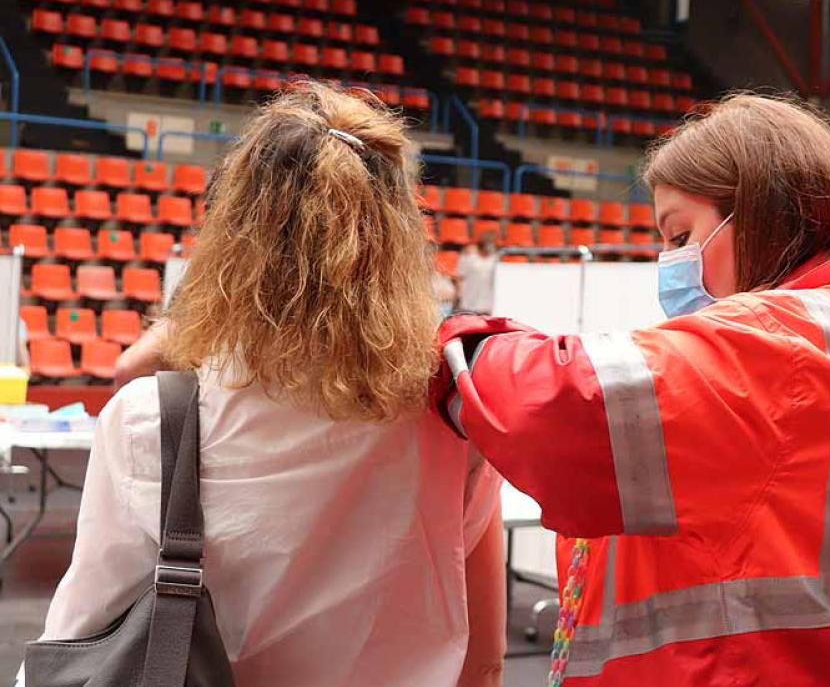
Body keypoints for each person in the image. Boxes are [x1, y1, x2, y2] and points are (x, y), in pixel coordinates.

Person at [434, 94, 830, 687]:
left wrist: (453, 348)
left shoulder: (785, 343)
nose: (668, 262)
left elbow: (561, 407)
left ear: (766, 215)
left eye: (681, 237)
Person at [24, 83, 505, 687]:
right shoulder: (452, 413)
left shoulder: (153, 419)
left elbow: (81, 635)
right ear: (399, 237)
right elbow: (483, 661)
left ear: (233, 229)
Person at [456, 231, 498, 314]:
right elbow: (460, 276)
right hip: (468, 304)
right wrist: (460, 294)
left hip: (487, 306)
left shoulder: (496, 259)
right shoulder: (469, 257)